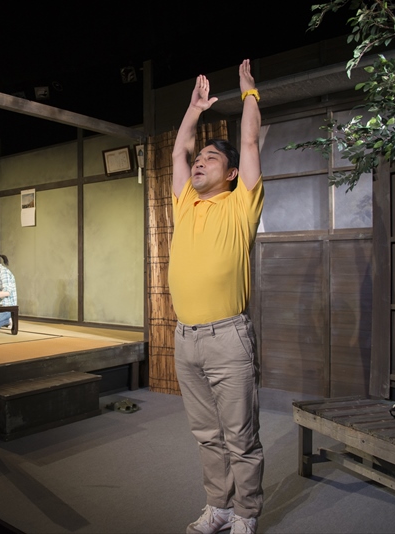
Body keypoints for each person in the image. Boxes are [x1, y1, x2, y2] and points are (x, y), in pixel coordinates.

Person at [169, 59, 264, 534]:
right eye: (200, 157)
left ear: (231, 174)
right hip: (185, 339)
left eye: (211, 158)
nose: (200, 162)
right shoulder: (185, 203)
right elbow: (178, 152)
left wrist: (249, 93)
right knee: (207, 435)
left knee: (240, 436)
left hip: (228, 338)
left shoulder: (241, 204)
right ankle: (219, 508)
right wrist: (193, 109)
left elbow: (248, 143)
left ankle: (246, 514)